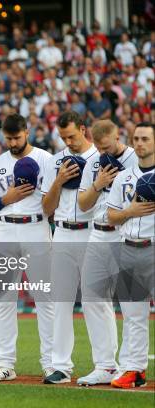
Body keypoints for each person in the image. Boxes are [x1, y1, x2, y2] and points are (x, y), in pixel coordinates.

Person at [0, 113, 55, 381]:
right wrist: (5, 199)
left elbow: (52, 201)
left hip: (36, 226)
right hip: (5, 228)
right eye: (8, 138)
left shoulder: (46, 159)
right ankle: (4, 364)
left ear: (27, 131)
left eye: (17, 137)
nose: (12, 142)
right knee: (2, 299)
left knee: (44, 297)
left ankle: (52, 364)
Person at [76, 119, 137, 386]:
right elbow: (83, 204)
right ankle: (105, 365)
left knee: (130, 303)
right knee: (91, 299)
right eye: (99, 147)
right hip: (98, 232)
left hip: (125, 234)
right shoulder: (94, 162)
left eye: (107, 145)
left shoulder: (135, 158)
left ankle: (129, 366)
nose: (103, 151)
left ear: (117, 135)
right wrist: (98, 183)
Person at [40, 111, 98, 384]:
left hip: (93, 234)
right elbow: (46, 208)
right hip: (62, 232)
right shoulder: (55, 161)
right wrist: (58, 180)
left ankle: (106, 365)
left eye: (72, 136)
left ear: (84, 129)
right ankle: (61, 366)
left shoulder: (99, 157)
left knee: (96, 301)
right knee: (60, 302)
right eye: (63, 137)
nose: (69, 142)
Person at [107, 123, 155, 389]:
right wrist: (130, 212)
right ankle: (134, 371)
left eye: (146, 138)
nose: (139, 143)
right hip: (128, 248)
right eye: (136, 139)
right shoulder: (123, 177)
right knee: (134, 316)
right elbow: (111, 216)